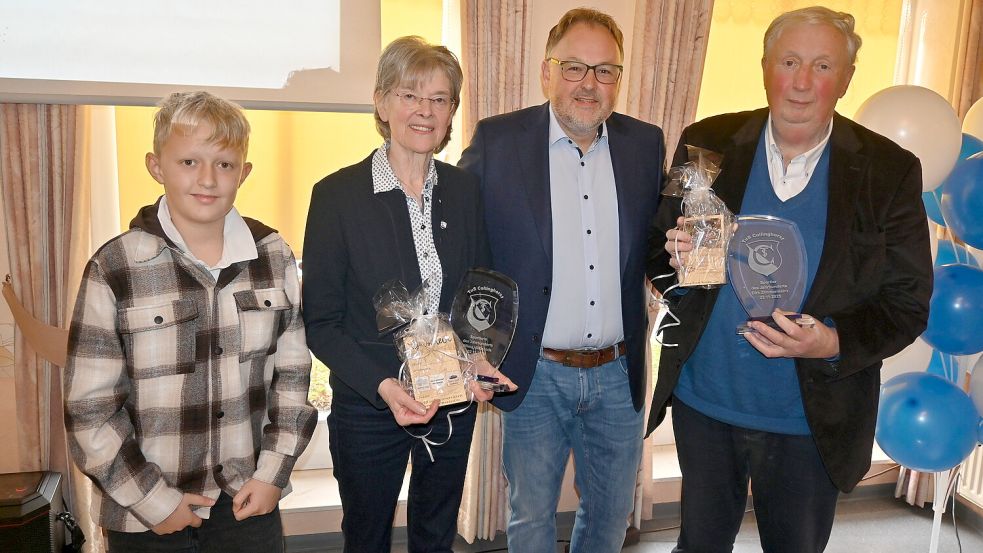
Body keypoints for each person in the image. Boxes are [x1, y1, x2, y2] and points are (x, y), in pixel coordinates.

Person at [647, 7, 933, 552]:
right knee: (699, 545)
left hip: (810, 416)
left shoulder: (887, 169)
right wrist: (676, 260)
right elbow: (656, 250)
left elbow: (907, 302)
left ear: (846, 78)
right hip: (706, 400)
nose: (802, 82)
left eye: (823, 65)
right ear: (764, 67)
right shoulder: (708, 142)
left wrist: (833, 341)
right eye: (790, 61)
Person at [64, 91, 317, 552]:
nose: (207, 179)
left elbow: (293, 378)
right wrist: (155, 502)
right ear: (156, 166)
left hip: (247, 500)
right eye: (188, 162)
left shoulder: (274, 256)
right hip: (146, 510)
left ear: (244, 172)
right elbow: (90, 409)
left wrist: (273, 473)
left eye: (224, 164)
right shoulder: (115, 267)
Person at [459, 8, 665, 553]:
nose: (588, 84)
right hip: (535, 372)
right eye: (574, 67)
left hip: (619, 374)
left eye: (605, 71)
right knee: (529, 517)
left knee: (611, 516)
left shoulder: (646, 146)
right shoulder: (499, 141)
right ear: (546, 72)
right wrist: (469, 345)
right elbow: (464, 246)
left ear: (619, 81)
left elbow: (656, 245)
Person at [302, 36, 512, 553]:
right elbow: (321, 323)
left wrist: (477, 362)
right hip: (370, 407)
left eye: (439, 99)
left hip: (451, 399)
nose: (424, 111)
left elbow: (476, 297)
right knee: (367, 537)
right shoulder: (336, 196)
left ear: (451, 113)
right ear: (381, 102)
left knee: (436, 534)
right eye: (409, 95)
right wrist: (383, 387)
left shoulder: (465, 191)